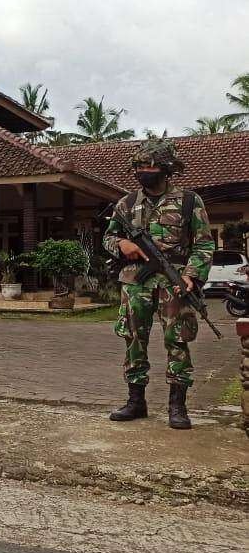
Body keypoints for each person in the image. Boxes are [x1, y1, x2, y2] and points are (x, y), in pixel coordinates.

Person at [102, 139, 214, 430]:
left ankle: (177, 406)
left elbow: (203, 245)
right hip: (135, 282)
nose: (144, 171)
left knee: (177, 340)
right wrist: (123, 244)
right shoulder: (126, 204)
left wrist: (191, 275)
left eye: (150, 166)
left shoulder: (190, 201)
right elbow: (108, 237)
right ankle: (135, 401)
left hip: (174, 282)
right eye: (139, 166)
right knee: (133, 339)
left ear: (166, 169)